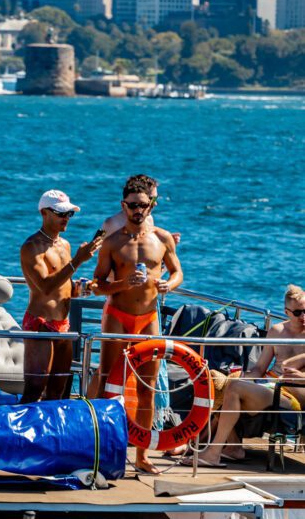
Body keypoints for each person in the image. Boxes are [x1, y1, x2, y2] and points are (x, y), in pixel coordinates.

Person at [92, 176, 183, 474]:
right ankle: (104, 449)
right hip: (118, 316)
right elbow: (97, 285)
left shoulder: (162, 238)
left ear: (151, 205)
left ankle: (142, 455)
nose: (137, 210)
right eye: (132, 206)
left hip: (148, 318)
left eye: (143, 205)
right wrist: (122, 283)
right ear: (124, 206)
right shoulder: (113, 241)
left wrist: (169, 285)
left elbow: (177, 272)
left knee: (148, 388)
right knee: (110, 384)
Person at [193, 284, 305, 468]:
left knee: (234, 388)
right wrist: (241, 375)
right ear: (287, 312)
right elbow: (259, 368)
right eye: (298, 312)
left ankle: (209, 450)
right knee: (218, 379)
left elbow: (287, 369)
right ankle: (228, 447)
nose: (303, 316)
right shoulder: (277, 331)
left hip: (289, 393)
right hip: (268, 383)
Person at [20, 190, 101, 403]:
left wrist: (78, 289)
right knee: (34, 390)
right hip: (41, 323)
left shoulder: (64, 244)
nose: (66, 219)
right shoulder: (31, 247)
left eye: (69, 214)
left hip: (63, 324)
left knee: (59, 391)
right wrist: (78, 261)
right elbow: (45, 287)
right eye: (61, 213)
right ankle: (22, 435)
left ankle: (50, 435)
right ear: (45, 213)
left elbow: (62, 284)